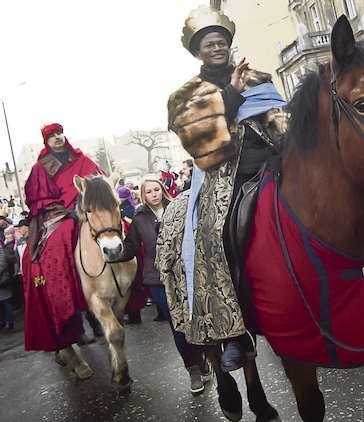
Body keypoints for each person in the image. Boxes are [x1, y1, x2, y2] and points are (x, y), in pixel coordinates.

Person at [159, 5, 286, 377]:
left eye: (221, 42)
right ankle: (233, 333)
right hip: (223, 174)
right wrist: (230, 91)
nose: (217, 48)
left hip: (271, 164)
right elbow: (197, 139)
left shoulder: (257, 76)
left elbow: (279, 118)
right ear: (198, 52)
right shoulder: (188, 93)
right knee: (212, 238)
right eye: (209, 44)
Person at [111, 174, 211, 395]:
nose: (153, 194)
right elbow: (131, 247)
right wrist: (111, 255)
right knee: (177, 325)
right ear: (143, 195)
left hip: (186, 274)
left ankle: (203, 357)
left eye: (156, 190)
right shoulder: (139, 218)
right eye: (148, 191)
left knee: (193, 320)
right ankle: (192, 368)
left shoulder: (179, 208)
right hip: (157, 280)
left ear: (162, 190)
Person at [21, 123, 103, 380]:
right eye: (51, 135)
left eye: (59, 133)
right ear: (46, 141)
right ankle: (69, 298)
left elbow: (97, 182)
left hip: (85, 207)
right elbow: (39, 203)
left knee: (115, 227)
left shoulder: (81, 159)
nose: (57, 138)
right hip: (59, 215)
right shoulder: (40, 168)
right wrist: (66, 210)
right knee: (63, 236)